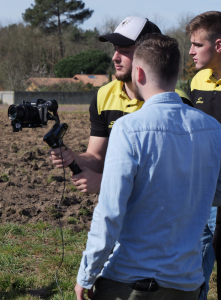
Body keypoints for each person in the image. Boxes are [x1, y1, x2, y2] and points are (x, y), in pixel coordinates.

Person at [75, 33, 221, 300]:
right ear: (177, 72)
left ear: (138, 73)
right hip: (186, 282)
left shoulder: (127, 128)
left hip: (130, 280)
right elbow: (216, 195)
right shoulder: (213, 129)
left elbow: (109, 212)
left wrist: (87, 272)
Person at [49, 16, 191, 194]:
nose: (115, 57)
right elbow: (97, 157)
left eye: (124, 50)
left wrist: (106, 183)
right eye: (115, 50)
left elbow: (169, 173)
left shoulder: (176, 102)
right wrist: (72, 157)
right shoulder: (103, 96)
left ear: (149, 54)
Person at [186, 11, 221, 299]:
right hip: (202, 189)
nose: (191, 51)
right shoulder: (198, 80)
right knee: (194, 266)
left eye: (197, 44)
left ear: (218, 45)